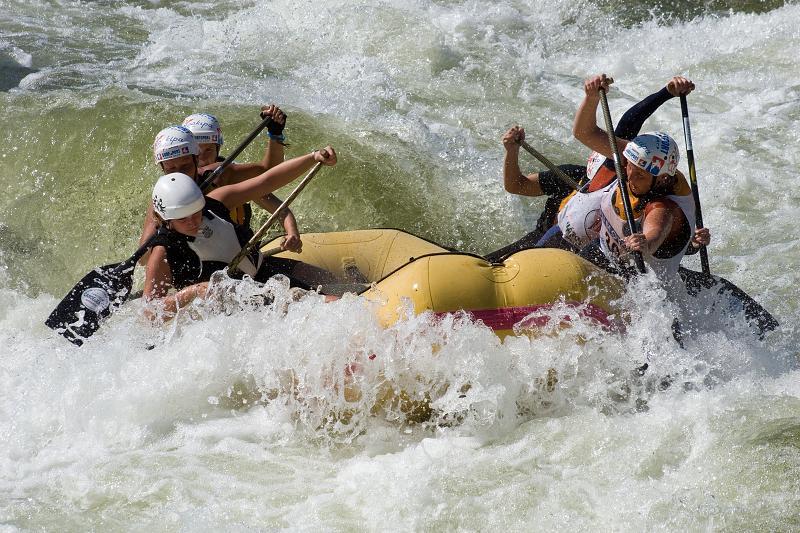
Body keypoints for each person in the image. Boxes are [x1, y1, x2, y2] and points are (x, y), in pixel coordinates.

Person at [488, 76, 698, 261]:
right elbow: (517, 186)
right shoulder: (572, 175)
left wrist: (692, 243)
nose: (629, 173)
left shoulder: (646, 193)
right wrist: (511, 150)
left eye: (635, 170)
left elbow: (664, 231)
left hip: (588, 254)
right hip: (550, 237)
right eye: (625, 166)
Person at [143, 147, 338, 320]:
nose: (193, 221)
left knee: (334, 294)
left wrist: (312, 157)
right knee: (326, 305)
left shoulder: (216, 202)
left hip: (266, 276)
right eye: (183, 219)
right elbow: (150, 313)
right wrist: (192, 292)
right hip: (233, 309)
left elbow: (266, 181)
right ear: (166, 219)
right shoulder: (163, 253)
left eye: (196, 213)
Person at [572, 74, 709, 286]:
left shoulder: (665, 206)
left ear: (662, 179)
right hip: (601, 253)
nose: (629, 177)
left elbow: (657, 229)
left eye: (640, 175)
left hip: (642, 286)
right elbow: (584, 132)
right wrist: (591, 97)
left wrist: (645, 243)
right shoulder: (635, 159)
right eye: (628, 167)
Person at [181, 107, 302, 253]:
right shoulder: (180, 188)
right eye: (197, 152)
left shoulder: (231, 175)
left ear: (218, 149)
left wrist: (292, 233)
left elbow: (279, 206)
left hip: (240, 252)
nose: (203, 159)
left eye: (209, 150)